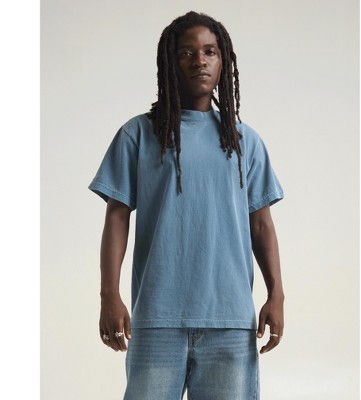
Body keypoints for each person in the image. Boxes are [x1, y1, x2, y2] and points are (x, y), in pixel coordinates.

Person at [89, 11, 284, 400]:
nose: (199, 61)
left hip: (230, 321)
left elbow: (261, 225)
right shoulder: (138, 135)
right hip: (157, 319)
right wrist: (109, 295)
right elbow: (116, 218)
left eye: (210, 51)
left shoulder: (245, 142)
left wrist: (276, 294)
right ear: (169, 62)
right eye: (186, 53)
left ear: (223, 61)